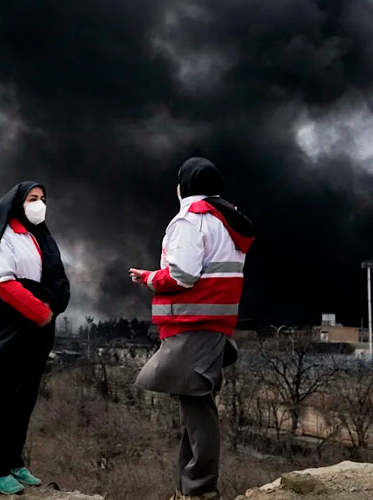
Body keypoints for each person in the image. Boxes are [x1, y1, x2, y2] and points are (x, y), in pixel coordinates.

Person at [128, 157, 254, 500]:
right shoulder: (227, 218)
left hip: (192, 323)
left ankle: (199, 490)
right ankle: (187, 487)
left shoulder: (191, 219)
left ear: (183, 186)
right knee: (193, 404)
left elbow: (182, 275)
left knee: (198, 408)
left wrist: (150, 278)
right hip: (212, 323)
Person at [0, 181, 71, 495]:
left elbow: (56, 277)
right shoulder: (5, 236)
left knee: (25, 397)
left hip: (38, 330)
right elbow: (4, 283)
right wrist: (40, 311)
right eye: (32, 198)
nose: (39, 204)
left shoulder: (40, 236)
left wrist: (54, 306)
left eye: (43, 198)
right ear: (17, 203)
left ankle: (14, 460)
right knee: (3, 395)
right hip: (12, 327)